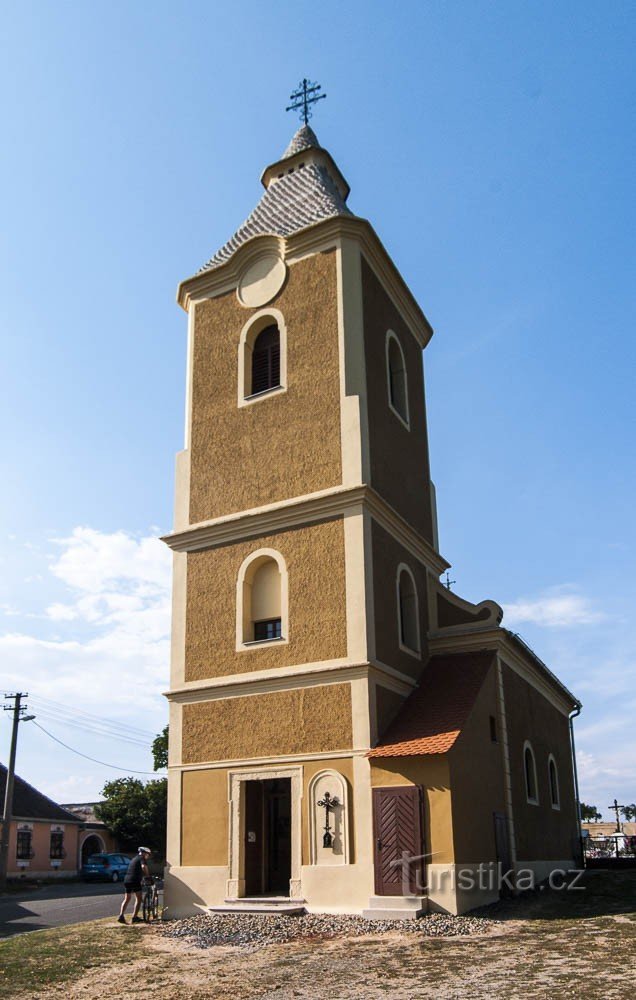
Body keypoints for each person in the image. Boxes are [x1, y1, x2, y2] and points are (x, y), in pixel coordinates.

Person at [118, 847, 151, 924]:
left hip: (127, 880)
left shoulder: (134, 858)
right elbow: (143, 867)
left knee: (127, 898)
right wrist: (148, 876)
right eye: (148, 854)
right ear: (144, 853)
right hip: (135, 880)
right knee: (139, 899)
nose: (148, 856)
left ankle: (121, 916)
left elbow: (135, 870)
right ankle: (134, 917)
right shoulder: (142, 858)